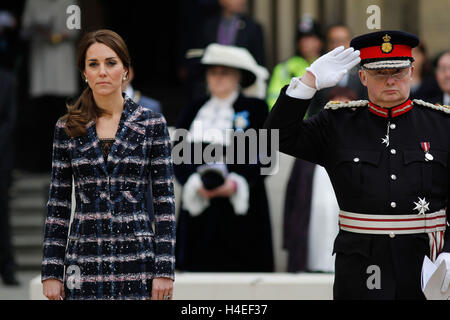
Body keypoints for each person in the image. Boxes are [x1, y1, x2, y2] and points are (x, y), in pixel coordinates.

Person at [264, 30, 450, 300]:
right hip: (360, 264)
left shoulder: (442, 125)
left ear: (412, 71)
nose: (390, 81)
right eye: (379, 73)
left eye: (398, 71)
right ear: (362, 77)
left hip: (426, 265)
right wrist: (308, 83)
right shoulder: (337, 123)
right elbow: (276, 136)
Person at [41, 30, 176, 300]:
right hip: (83, 259)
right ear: (84, 73)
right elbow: (58, 203)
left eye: (111, 63)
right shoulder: (67, 127)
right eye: (93, 64)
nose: (102, 71)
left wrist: (164, 269)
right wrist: (52, 272)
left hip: (138, 258)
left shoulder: (151, 123)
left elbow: (164, 202)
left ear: (125, 70)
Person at [174, 43, 274, 272]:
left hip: (241, 208)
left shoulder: (256, 108)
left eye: (225, 73)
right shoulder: (194, 109)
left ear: (238, 77)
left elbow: (267, 156)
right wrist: (192, 181)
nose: (218, 78)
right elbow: (177, 155)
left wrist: (237, 182)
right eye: (213, 72)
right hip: (200, 202)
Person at [21, 0, 80, 172]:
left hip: (62, 69)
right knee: (41, 119)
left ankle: (65, 162)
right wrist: (38, 31)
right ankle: (41, 163)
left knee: (64, 117)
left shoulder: (70, 3)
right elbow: (24, 30)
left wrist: (55, 36)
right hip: (41, 69)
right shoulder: (33, 3)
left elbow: (75, 30)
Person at [266, 15, 324, 110]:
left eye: (311, 37)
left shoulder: (327, 65)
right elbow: (273, 100)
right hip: (293, 122)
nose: (306, 42)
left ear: (320, 41)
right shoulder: (284, 68)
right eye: (302, 38)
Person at [0, 68, 19, 286]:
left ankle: (7, 267)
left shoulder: (8, 80)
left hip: (2, 158)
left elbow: (10, 121)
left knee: (2, 214)